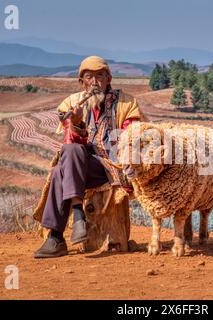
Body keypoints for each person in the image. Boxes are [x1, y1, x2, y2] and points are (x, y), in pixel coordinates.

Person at [34, 56, 147, 258]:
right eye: (89, 77)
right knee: (68, 155)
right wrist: (75, 123)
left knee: (62, 170)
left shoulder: (127, 103)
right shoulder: (72, 104)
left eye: (100, 76)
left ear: (109, 78)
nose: (95, 82)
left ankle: (56, 237)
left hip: (112, 167)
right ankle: (78, 217)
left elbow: (131, 139)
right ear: (82, 82)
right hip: (81, 167)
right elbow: (72, 143)